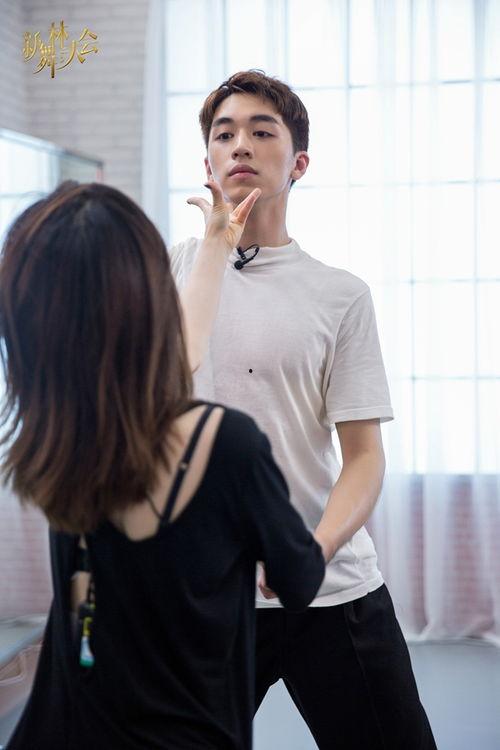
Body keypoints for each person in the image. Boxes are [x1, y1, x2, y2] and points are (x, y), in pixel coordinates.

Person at [0, 180, 325, 750]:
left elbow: (179, 357)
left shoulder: (57, 444)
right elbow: (299, 580)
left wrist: (215, 245)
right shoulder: (229, 445)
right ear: (150, 300)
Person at [169, 70, 438, 749]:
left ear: (299, 163)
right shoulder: (166, 273)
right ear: (207, 162)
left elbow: (363, 457)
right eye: (224, 134)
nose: (240, 145)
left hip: (330, 589)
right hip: (204, 596)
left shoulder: (339, 295)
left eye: (262, 132)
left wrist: (310, 553)